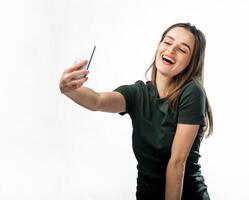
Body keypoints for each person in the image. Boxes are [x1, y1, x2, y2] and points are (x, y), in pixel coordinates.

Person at [59, 22, 213, 200]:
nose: (171, 50)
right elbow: (97, 101)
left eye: (182, 49)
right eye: (168, 42)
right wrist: (68, 89)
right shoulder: (138, 93)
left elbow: (177, 163)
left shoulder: (192, 92)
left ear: (192, 62)